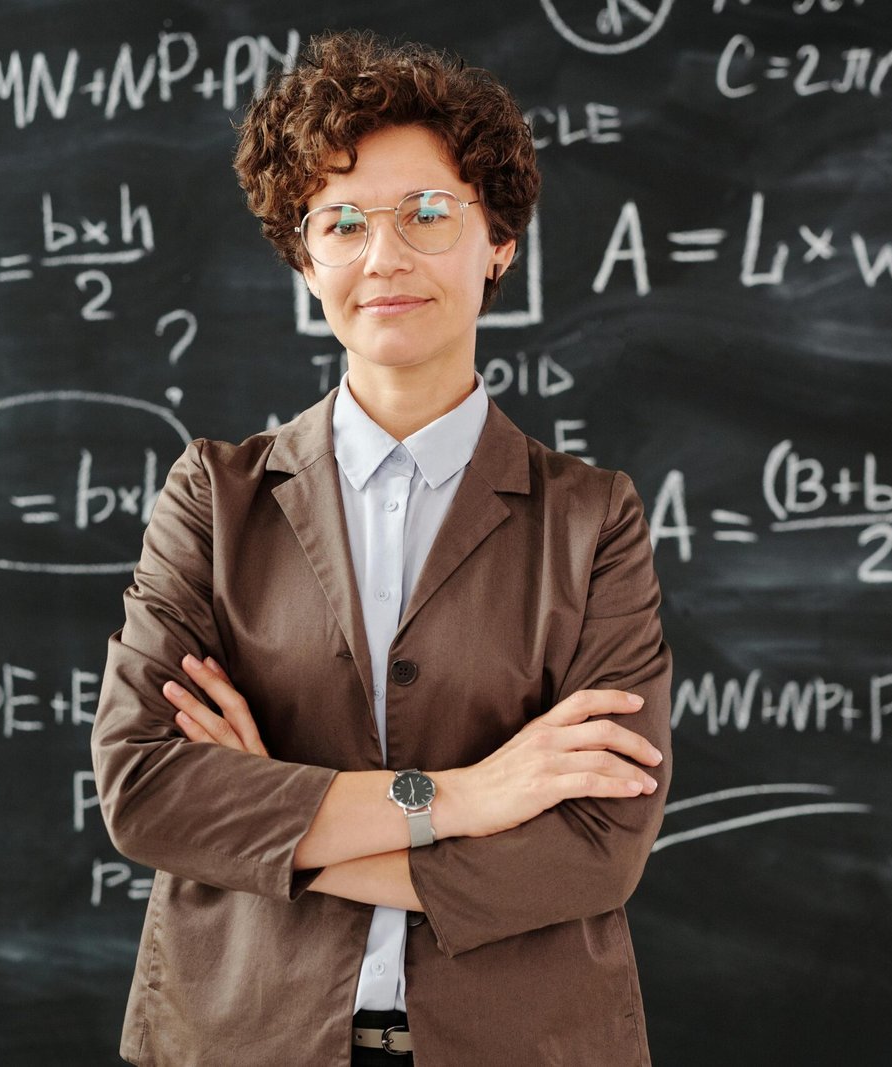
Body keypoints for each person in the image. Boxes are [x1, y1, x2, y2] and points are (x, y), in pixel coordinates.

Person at [90, 29, 674, 1067]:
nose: (385, 256)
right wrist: (464, 796)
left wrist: (276, 824)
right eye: (343, 220)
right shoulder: (214, 499)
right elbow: (147, 787)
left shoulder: (593, 519)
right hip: (239, 1037)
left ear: (497, 241)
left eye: (428, 214)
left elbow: (592, 849)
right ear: (304, 256)